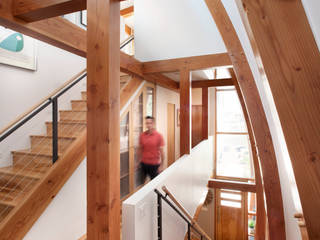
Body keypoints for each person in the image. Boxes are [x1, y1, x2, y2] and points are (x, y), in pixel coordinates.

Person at [138, 116, 165, 181]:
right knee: (142, 184)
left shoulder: (159, 136)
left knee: (154, 185)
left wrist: (161, 165)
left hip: (154, 165)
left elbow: (162, 152)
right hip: (143, 164)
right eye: (147, 123)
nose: (148, 125)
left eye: (150, 123)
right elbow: (140, 149)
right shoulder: (142, 135)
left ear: (153, 124)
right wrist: (139, 161)